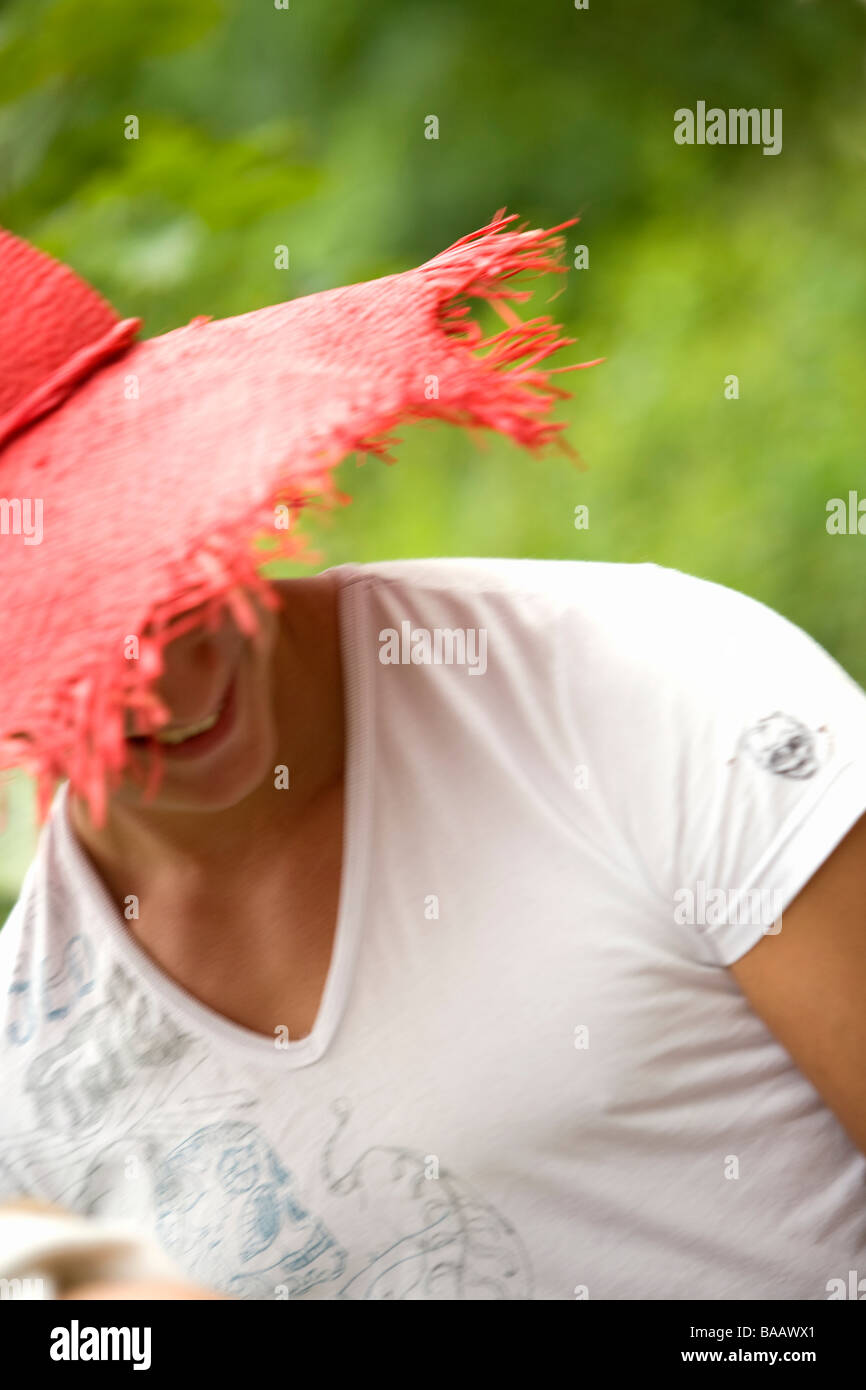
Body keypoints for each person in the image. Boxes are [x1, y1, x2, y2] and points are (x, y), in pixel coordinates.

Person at [0, 216, 864, 1301]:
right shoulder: (30, 1086)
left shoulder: (653, 690)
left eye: (161, 575)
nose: (173, 687)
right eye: (76, 644)